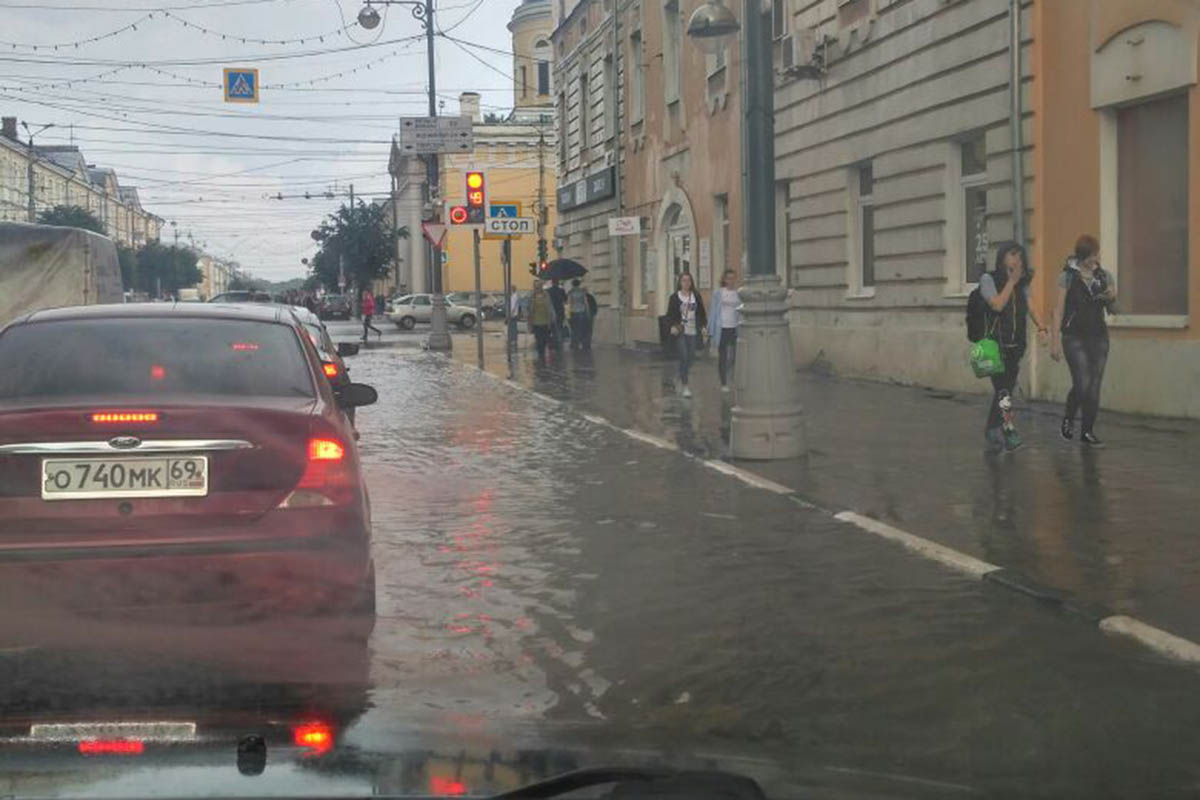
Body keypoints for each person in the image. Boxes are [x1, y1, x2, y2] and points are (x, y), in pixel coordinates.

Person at [979, 242, 1048, 452]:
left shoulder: (1022, 283)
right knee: (1003, 391)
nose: (1016, 260)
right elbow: (997, 304)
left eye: (1019, 256)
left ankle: (992, 428)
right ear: (1001, 258)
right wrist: (1011, 282)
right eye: (1011, 255)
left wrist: (1042, 327)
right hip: (993, 345)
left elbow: (1031, 305)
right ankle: (1008, 429)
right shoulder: (988, 279)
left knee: (1005, 390)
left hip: (1015, 345)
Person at [1051, 234, 1116, 447]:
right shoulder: (1067, 277)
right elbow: (1058, 310)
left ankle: (1087, 431)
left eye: (1096, 255)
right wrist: (1054, 341)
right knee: (1083, 382)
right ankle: (1069, 418)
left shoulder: (1104, 276)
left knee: (1094, 384)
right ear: (1081, 256)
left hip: (1098, 336)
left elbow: (1114, 309)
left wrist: (1111, 297)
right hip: (1073, 336)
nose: (1094, 260)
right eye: (1090, 256)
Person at [665, 272, 707, 398]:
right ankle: (685, 386)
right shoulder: (674, 297)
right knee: (683, 356)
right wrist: (673, 325)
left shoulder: (696, 296)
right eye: (684, 280)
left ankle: (678, 375)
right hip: (681, 331)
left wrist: (703, 326)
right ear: (680, 282)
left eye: (688, 280)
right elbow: (670, 315)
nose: (686, 283)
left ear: (691, 282)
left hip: (693, 331)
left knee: (691, 357)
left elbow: (701, 313)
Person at [707, 270, 741, 391]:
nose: (731, 281)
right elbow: (713, 311)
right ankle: (723, 383)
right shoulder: (719, 293)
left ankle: (731, 377)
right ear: (725, 280)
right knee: (723, 356)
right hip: (722, 328)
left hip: (735, 327)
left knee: (735, 356)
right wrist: (710, 330)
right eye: (729, 278)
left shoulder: (738, 293)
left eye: (733, 278)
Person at [528, 282, 557, 363]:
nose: (537, 288)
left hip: (546, 321)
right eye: (536, 287)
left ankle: (543, 354)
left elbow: (550, 307)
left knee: (545, 339)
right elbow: (529, 309)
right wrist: (529, 322)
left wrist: (552, 318)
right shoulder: (532, 296)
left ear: (541, 287)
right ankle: (541, 355)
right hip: (536, 322)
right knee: (538, 339)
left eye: (538, 287)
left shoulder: (546, 295)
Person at [566, 279, 590, 352]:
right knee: (582, 329)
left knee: (574, 329)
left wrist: (567, 315)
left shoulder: (570, 292)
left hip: (573, 313)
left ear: (572, 284)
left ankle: (575, 344)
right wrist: (588, 313)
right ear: (579, 284)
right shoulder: (582, 292)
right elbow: (586, 303)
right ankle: (582, 344)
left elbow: (568, 303)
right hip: (581, 312)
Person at [547, 278, 568, 350]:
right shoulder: (561, 290)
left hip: (551, 311)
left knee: (552, 328)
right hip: (560, 311)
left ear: (552, 282)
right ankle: (559, 342)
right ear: (558, 283)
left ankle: (553, 342)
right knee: (559, 326)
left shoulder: (548, 291)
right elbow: (565, 300)